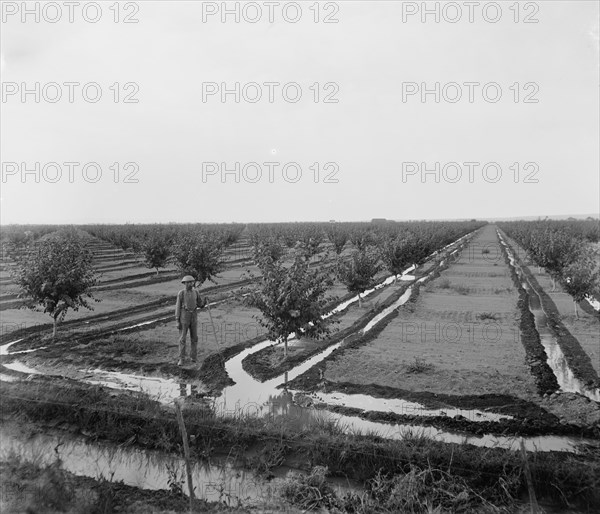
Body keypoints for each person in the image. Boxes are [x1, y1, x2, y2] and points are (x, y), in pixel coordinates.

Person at [175, 275, 207, 366]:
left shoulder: (196, 292)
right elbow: (177, 307)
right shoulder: (181, 293)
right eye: (188, 282)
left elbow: (200, 304)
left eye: (192, 282)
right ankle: (181, 359)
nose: (190, 284)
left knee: (194, 338)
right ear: (184, 283)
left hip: (194, 316)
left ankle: (193, 357)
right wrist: (177, 320)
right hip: (184, 317)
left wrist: (204, 302)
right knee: (182, 339)